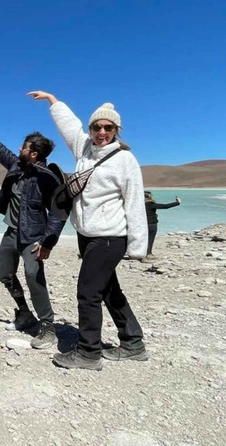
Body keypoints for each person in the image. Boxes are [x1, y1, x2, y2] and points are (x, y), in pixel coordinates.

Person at [28, 91, 148, 370]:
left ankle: (89, 352)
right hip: (87, 235)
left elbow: (134, 203)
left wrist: (138, 246)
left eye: (108, 128)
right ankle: (133, 343)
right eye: (97, 127)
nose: (101, 132)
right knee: (108, 290)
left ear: (116, 131)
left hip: (110, 237)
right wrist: (53, 101)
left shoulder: (125, 160)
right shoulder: (84, 149)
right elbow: (70, 126)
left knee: (87, 292)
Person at [0, 124, 66, 349]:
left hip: (33, 237)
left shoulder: (47, 178)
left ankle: (48, 326)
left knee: (33, 276)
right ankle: (24, 314)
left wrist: (48, 242)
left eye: (24, 147)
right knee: (5, 274)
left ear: (34, 153)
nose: (19, 149)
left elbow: (59, 213)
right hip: (11, 232)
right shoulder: (17, 166)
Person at [144, 191, 181, 259]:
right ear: (149, 196)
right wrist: (177, 202)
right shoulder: (150, 204)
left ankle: (137, 253)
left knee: (142, 239)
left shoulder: (138, 205)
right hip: (151, 224)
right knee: (150, 239)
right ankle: (148, 253)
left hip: (141, 224)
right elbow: (165, 206)